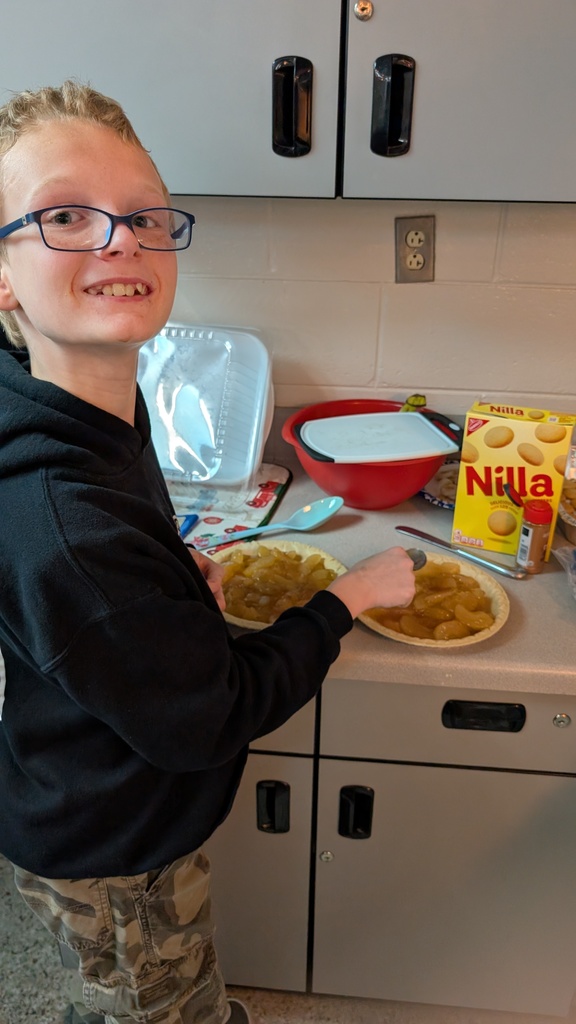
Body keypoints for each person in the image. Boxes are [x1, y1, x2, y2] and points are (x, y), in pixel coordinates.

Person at [0, 80, 416, 1024]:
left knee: (124, 993)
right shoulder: (70, 523)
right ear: (4, 275)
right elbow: (211, 716)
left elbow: (81, 597)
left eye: (143, 214)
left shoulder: (84, 410)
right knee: (162, 1003)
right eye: (66, 215)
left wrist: (166, 582)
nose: (121, 239)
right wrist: (342, 601)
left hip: (75, 783)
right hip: (112, 843)